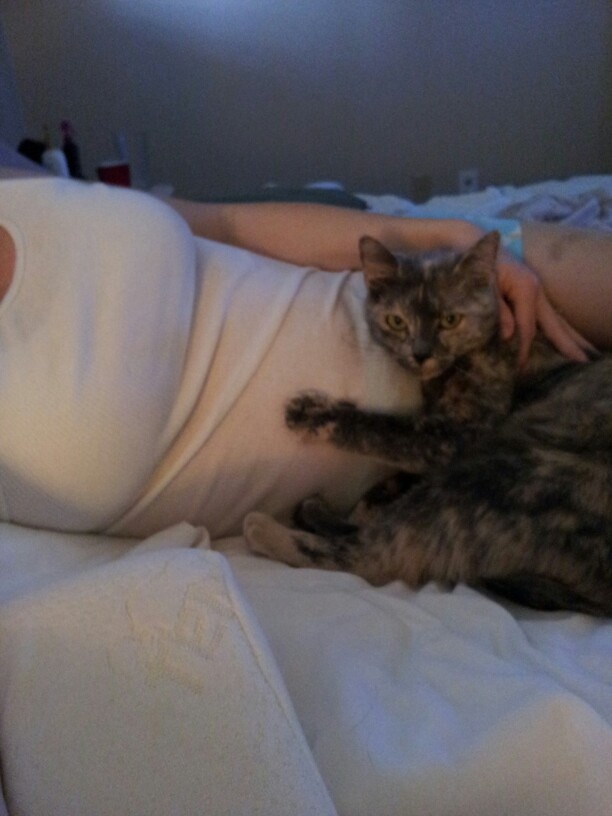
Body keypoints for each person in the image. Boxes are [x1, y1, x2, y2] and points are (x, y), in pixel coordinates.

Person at [0, 167, 609, 544]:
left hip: (425, 292)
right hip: (424, 460)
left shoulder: (16, 181)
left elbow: (228, 222)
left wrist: (440, 236)